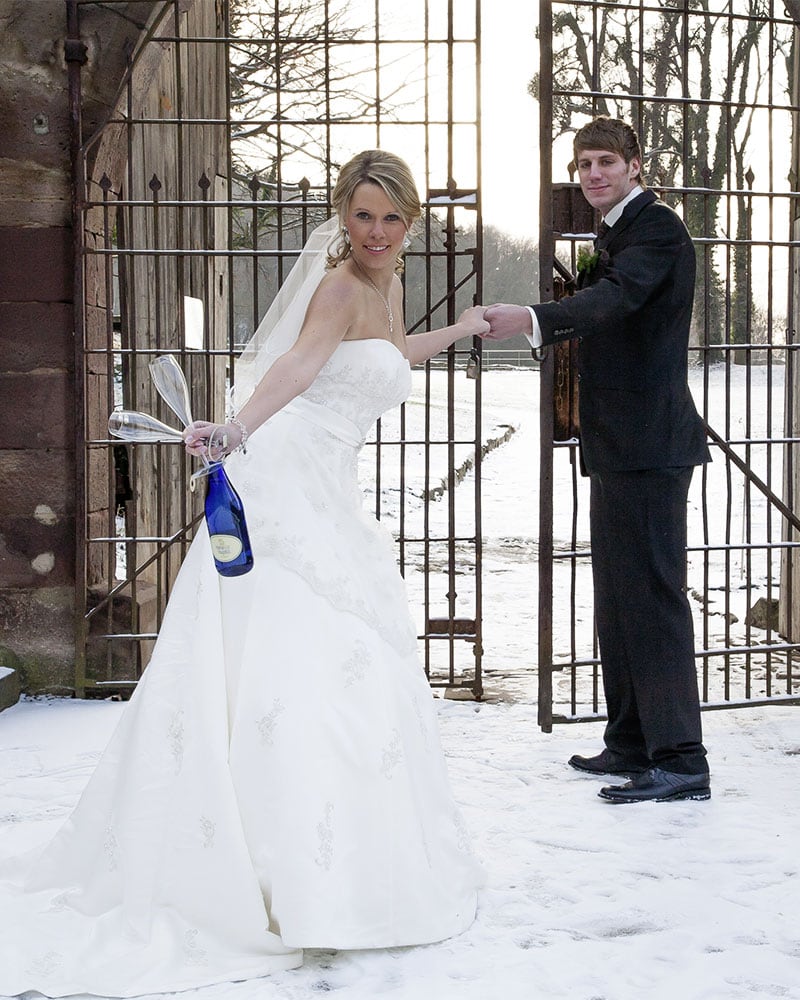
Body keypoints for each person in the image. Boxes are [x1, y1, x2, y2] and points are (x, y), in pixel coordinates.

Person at [0, 150, 486, 996]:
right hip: (289, 477)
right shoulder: (337, 285)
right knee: (300, 656)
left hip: (332, 484)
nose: (374, 232)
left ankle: (345, 859)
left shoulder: (386, 285)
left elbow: (394, 352)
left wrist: (467, 328)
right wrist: (236, 429)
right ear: (342, 213)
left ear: (410, 223)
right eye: (362, 215)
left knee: (349, 659)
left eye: (390, 218)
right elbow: (298, 368)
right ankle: (282, 866)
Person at [482, 116, 712, 804]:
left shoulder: (658, 229)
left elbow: (615, 299)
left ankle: (681, 760)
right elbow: (602, 299)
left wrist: (532, 318)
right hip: (619, 444)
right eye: (584, 164)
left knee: (654, 598)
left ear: (636, 165)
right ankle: (632, 742)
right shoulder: (616, 231)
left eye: (606, 161)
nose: (593, 175)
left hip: (650, 445)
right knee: (618, 600)